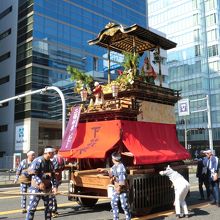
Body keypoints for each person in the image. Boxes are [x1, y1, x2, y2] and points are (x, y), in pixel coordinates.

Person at [26, 146, 58, 220]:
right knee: (32, 208)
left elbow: (53, 176)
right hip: (36, 189)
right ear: (48, 153)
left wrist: (55, 187)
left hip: (48, 189)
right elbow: (32, 173)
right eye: (53, 153)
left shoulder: (51, 163)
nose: (54, 154)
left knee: (49, 209)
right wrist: (40, 182)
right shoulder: (38, 160)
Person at [98, 152, 131, 220]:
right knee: (113, 203)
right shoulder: (115, 166)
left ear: (113, 159)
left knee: (124, 205)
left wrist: (119, 189)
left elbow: (122, 180)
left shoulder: (121, 167)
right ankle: (115, 218)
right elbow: (111, 172)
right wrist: (104, 170)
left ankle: (128, 217)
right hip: (117, 188)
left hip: (122, 189)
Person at [51, 147, 65, 218]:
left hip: (52, 178)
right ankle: (54, 210)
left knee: (52, 194)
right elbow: (63, 167)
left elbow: (54, 168)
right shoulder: (61, 157)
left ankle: (53, 210)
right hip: (58, 178)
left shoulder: (52, 158)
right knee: (53, 194)